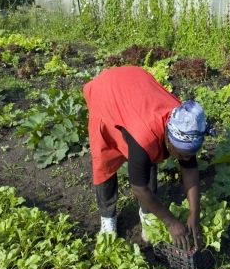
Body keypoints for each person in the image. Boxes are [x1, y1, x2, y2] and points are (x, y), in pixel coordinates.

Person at [83, 66, 215, 250]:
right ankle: (107, 218)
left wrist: (195, 212)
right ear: (168, 138)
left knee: (149, 157)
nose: (185, 158)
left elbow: (190, 166)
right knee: (105, 162)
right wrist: (170, 222)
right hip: (108, 91)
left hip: (137, 86)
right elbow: (139, 188)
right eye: (181, 153)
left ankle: (147, 212)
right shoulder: (145, 139)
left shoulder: (185, 123)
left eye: (188, 153)